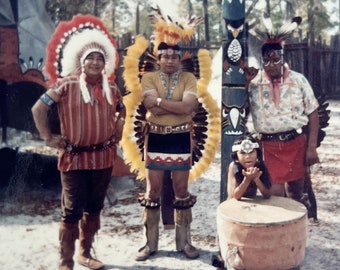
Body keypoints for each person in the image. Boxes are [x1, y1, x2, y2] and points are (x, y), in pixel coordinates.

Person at [31, 14, 125, 270]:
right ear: (81, 62)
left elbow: (122, 109)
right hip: (73, 158)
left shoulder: (112, 89)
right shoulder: (65, 85)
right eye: (90, 58)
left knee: (94, 208)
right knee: (71, 210)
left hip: (103, 158)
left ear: (105, 63)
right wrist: (48, 138)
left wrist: (119, 124)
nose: (95, 62)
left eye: (99, 58)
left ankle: (85, 253)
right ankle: (65, 261)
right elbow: (38, 108)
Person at [135, 41, 200, 261]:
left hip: (181, 137)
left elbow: (188, 107)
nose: (170, 61)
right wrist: (176, 105)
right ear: (159, 58)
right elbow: (150, 107)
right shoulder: (149, 78)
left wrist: (161, 102)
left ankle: (184, 243)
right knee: (153, 191)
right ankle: (150, 244)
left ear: (179, 59)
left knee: (181, 189)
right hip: (155, 137)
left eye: (174, 57)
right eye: (166, 57)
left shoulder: (188, 79)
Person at [246, 17, 320, 208]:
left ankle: (296, 234)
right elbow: (240, 109)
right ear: (262, 60)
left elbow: (313, 113)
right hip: (269, 145)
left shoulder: (299, 80)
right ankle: (278, 234)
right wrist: (245, 84)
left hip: (296, 143)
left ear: (283, 58)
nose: (271, 65)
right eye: (267, 60)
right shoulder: (254, 82)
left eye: (275, 59)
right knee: (276, 196)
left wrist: (311, 147)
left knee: (296, 193)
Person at [227, 133, 271, 200]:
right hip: (235, 206)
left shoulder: (259, 165)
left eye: (251, 152)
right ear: (236, 157)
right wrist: (247, 180)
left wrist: (257, 180)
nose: (248, 156)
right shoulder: (234, 166)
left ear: (257, 154)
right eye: (243, 153)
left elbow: (267, 194)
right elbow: (234, 197)